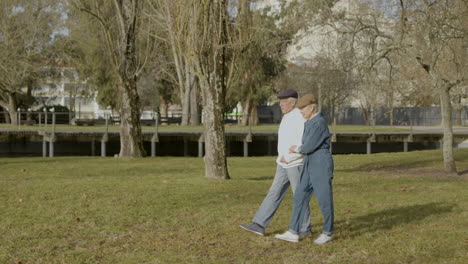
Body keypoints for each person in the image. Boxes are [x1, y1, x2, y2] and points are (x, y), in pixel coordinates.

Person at [240, 89, 311, 236]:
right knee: (274, 192)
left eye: (284, 102)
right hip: (283, 163)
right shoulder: (287, 116)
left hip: (295, 163)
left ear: (293, 102)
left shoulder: (299, 117)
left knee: (299, 195)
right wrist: (281, 159)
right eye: (280, 102)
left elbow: (302, 142)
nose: (280, 105)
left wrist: (291, 157)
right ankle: (259, 224)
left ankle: (305, 229)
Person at [275, 93, 334, 244]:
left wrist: (297, 149)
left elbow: (308, 146)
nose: (301, 112)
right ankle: (293, 231)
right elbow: (306, 145)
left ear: (312, 107)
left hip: (320, 163)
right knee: (300, 195)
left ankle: (327, 232)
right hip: (309, 162)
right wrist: (300, 148)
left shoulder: (319, 122)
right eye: (300, 109)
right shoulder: (309, 122)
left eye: (303, 109)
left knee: (323, 198)